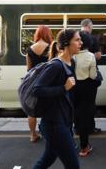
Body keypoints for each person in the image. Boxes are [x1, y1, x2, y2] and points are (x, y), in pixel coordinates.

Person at [32, 29, 81, 169]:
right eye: (77, 40)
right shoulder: (55, 66)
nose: (81, 43)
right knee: (73, 166)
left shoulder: (72, 62)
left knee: (47, 159)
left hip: (64, 121)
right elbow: (37, 90)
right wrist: (63, 88)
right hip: (54, 124)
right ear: (66, 43)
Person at [26, 25, 53, 143]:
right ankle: (49, 134)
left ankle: (33, 135)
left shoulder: (30, 49)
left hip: (34, 81)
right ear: (48, 34)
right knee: (49, 108)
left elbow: (28, 69)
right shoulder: (51, 47)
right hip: (48, 80)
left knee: (32, 109)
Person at [74, 31, 98, 157]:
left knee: (73, 114)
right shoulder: (90, 56)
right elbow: (93, 76)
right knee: (84, 117)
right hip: (86, 87)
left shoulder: (71, 55)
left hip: (72, 86)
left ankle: (69, 143)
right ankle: (84, 147)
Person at [80, 19, 102, 134]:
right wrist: (88, 56)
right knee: (90, 103)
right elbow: (98, 56)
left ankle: (78, 127)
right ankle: (90, 127)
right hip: (90, 76)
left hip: (77, 76)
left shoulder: (75, 37)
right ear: (89, 26)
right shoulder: (93, 38)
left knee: (78, 103)